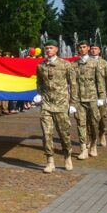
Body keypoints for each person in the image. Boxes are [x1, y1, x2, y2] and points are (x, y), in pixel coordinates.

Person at [35, 40, 77, 174]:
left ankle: (67, 156)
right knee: (47, 134)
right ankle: (50, 161)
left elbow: (73, 84)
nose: (48, 50)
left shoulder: (66, 65)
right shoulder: (41, 66)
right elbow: (40, 83)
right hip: (47, 105)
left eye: (50, 48)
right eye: (46, 48)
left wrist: (73, 103)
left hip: (61, 104)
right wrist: (39, 95)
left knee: (64, 134)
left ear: (56, 49)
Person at [73, 42, 106, 160]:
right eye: (80, 47)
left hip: (92, 98)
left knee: (93, 123)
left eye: (84, 47)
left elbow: (99, 82)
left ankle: (93, 144)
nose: (82, 49)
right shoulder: (74, 64)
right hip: (79, 99)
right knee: (80, 123)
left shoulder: (95, 63)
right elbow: (71, 83)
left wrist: (102, 97)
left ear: (87, 49)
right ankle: (83, 149)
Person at [90, 44, 107, 148]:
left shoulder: (104, 63)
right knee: (90, 117)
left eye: (95, 49)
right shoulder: (86, 62)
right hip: (89, 94)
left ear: (99, 50)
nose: (93, 50)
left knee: (102, 117)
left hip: (101, 94)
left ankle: (102, 133)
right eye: (92, 49)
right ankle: (91, 138)